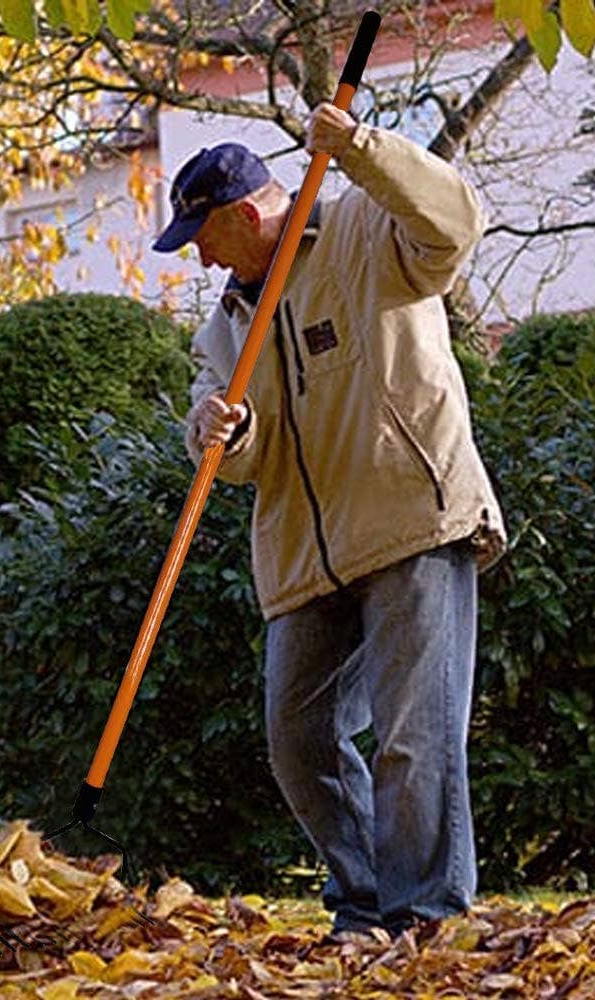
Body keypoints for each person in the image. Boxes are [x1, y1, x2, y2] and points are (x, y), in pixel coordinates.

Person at [152, 104, 506, 942]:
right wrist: (216, 434)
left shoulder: (363, 232)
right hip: (304, 553)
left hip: (407, 520)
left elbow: (455, 224)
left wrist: (361, 149)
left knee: (413, 739)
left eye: (201, 236)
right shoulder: (226, 324)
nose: (197, 257)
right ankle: (365, 900)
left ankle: (423, 919)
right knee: (297, 738)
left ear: (246, 215)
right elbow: (244, 456)